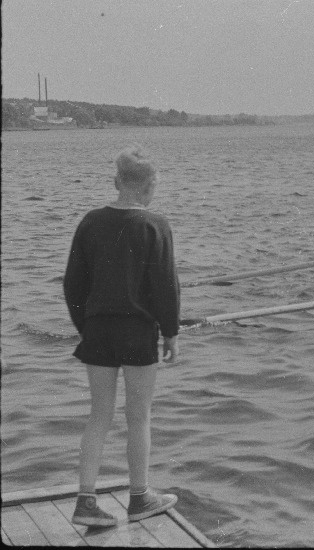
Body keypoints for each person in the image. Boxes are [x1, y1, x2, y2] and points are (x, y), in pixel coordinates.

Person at [64, 145, 180, 528]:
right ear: (149, 188)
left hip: (97, 330)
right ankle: (140, 497)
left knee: (99, 414)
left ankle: (85, 502)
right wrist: (170, 333)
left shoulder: (90, 221)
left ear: (116, 183)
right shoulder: (155, 225)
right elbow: (166, 286)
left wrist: (88, 326)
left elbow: (72, 285)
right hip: (137, 333)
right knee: (139, 417)